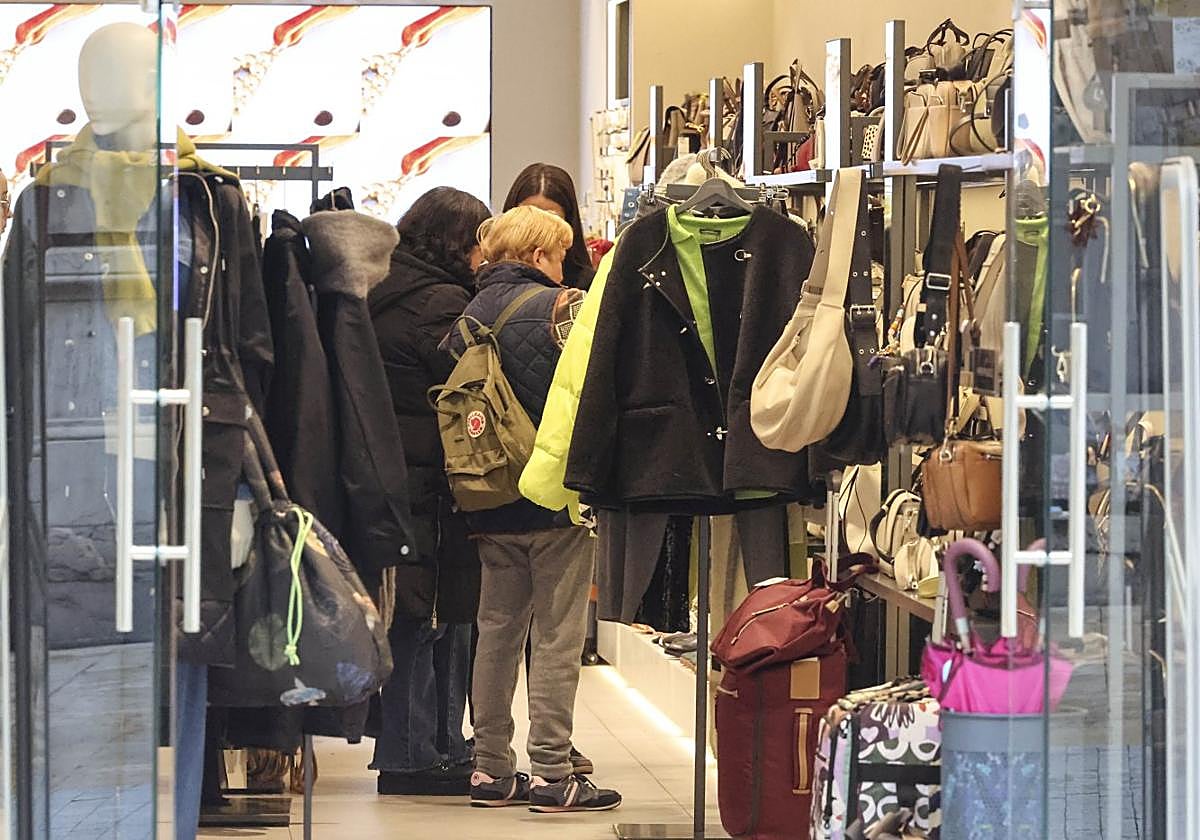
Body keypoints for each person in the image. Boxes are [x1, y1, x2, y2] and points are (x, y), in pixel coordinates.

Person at [444, 206, 622, 813]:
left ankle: (490, 768)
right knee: (556, 635)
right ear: (541, 254)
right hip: (554, 497)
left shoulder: (466, 317)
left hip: (487, 494)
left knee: (495, 632)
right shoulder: (562, 309)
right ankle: (552, 771)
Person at [367, 186, 492, 796]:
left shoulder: (385, 287)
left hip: (391, 471)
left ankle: (424, 746)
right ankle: (418, 753)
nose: (481, 258)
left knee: (413, 612)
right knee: (433, 614)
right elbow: (466, 383)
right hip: (433, 478)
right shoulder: (440, 302)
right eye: (476, 244)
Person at [503, 162, 596, 290]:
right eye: (529, 217)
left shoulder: (588, 286)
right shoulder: (491, 279)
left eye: (551, 219)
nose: (540, 229)